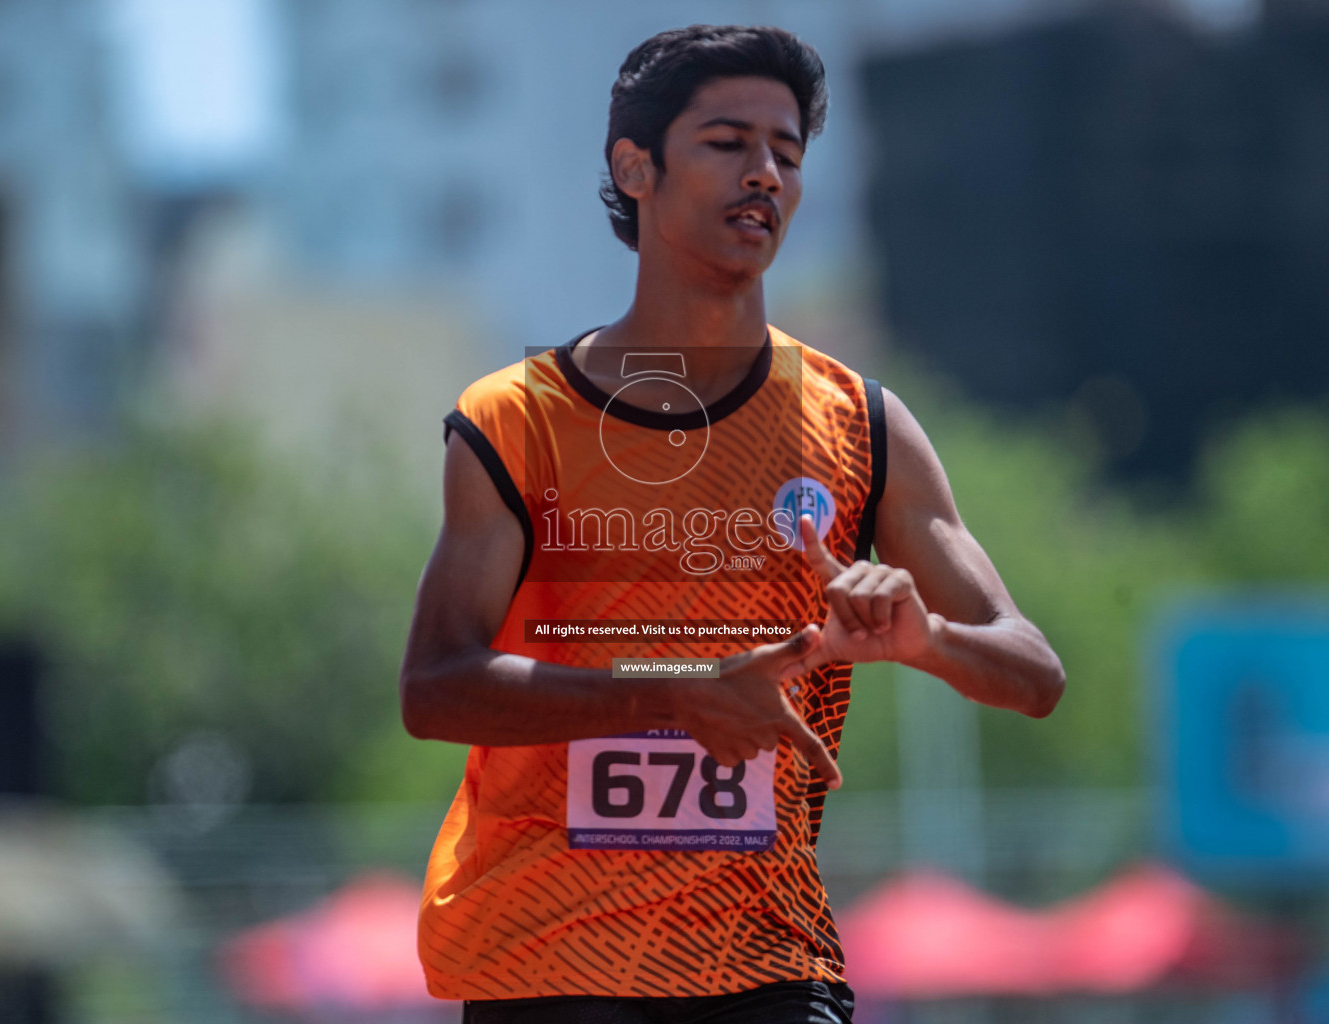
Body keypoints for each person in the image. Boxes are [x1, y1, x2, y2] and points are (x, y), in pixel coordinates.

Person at [400, 24, 1064, 1023]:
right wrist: (673, 698)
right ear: (636, 167)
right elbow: (435, 687)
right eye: (726, 142)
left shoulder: (863, 426)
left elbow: (1033, 673)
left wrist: (927, 640)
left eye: (786, 154)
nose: (764, 173)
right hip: (550, 956)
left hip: (764, 958)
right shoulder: (517, 420)